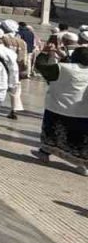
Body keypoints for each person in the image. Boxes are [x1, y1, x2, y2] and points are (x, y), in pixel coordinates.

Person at [31, 42, 88, 175]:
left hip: (58, 108)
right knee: (79, 139)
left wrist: (45, 52)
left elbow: (42, 66)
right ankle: (83, 165)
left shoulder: (62, 68)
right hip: (82, 111)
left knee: (52, 133)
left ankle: (44, 153)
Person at [0, 20, 29, 118]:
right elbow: (24, 58)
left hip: (4, 68)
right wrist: (23, 70)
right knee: (15, 90)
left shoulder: (2, 39)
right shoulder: (22, 42)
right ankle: (14, 109)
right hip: (17, 68)